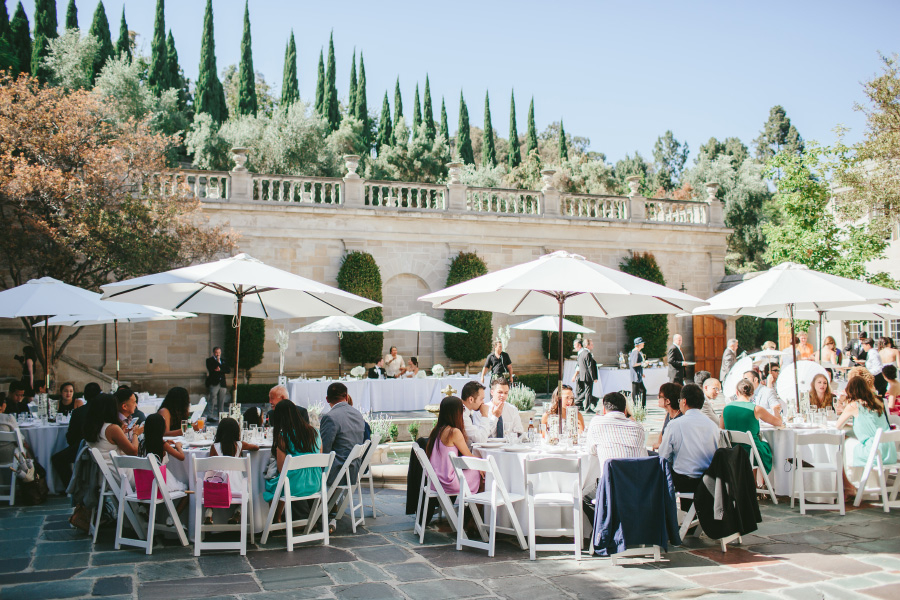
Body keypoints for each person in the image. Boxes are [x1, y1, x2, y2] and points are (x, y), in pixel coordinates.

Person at [659, 384, 720, 508]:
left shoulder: (675, 424)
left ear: (684, 401)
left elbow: (663, 455)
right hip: (709, 478)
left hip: (685, 479)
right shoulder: (713, 425)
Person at [263, 400, 323, 522]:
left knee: (270, 482)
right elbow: (320, 458)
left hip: (294, 486)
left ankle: (276, 518)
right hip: (316, 483)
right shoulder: (315, 432)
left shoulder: (284, 436)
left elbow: (281, 469)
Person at [836, 377, 896, 498]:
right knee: (853, 441)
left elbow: (838, 426)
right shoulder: (878, 402)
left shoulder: (853, 405)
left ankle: (850, 487)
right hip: (889, 451)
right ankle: (866, 488)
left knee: (846, 443)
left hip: (874, 452)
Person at [721, 378, 782, 476]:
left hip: (731, 451)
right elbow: (778, 422)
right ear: (752, 393)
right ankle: (757, 484)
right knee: (767, 446)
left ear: (737, 392)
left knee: (756, 447)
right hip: (751, 452)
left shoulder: (726, 408)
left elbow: (722, 430)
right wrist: (776, 410)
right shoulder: (756, 409)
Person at [207, 416, 260, 524]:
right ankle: (237, 512)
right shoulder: (240, 445)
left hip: (219, 485)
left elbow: (210, 466)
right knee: (245, 490)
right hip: (237, 487)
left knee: (211, 485)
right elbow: (256, 447)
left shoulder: (214, 446)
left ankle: (209, 512)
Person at [425, 396, 482, 495]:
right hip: (448, 482)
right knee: (481, 474)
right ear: (457, 412)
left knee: (478, 471)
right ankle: (471, 510)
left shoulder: (437, 430)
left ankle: (467, 508)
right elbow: (468, 456)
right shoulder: (453, 432)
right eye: (462, 409)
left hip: (435, 481)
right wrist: (483, 463)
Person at [319, 382, 367, 486]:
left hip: (337, 472)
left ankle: (320, 501)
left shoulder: (330, 417)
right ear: (346, 396)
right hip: (354, 469)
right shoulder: (357, 414)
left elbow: (324, 449)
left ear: (327, 399)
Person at [139, 414, 187, 501]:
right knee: (187, 491)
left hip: (146, 482)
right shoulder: (162, 444)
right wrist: (178, 446)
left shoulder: (143, 443)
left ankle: (146, 508)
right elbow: (181, 457)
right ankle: (174, 514)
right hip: (162, 480)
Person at [84, 394, 142, 465]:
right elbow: (133, 452)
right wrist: (135, 433)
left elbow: (106, 442)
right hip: (117, 471)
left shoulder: (92, 426)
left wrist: (121, 432)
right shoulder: (112, 428)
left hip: (102, 470)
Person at [652, 382, 683, 452]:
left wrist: (660, 446)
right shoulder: (668, 414)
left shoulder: (681, 418)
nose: (657, 398)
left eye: (660, 396)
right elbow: (662, 433)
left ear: (668, 401)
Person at [460, 381, 489, 446]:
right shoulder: (462, 415)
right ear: (471, 399)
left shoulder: (465, 413)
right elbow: (482, 440)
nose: (483, 402)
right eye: (481, 399)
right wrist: (484, 415)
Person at [205, 346, 230, 420]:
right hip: (214, 382)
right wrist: (218, 364)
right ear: (213, 353)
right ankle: (210, 415)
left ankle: (221, 415)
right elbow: (211, 369)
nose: (218, 354)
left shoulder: (223, 361)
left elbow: (228, 370)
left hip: (222, 383)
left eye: (219, 352)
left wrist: (220, 368)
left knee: (221, 400)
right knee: (212, 399)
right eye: (216, 353)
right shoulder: (209, 360)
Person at [0, 393, 25, 466]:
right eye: (4, 402)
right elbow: (20, 439)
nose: (6, 404)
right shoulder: (8, 418)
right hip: (7, 455)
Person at [572, 338, 596, 411]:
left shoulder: (582, 353)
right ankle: (583, 405)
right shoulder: (587, 353)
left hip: (583, 375)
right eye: (591, 344)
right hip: (587, 375)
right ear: (587, 345)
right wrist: (593, 377)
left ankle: (582, 404)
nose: (593, 346)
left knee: (585, 391)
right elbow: (589, 367)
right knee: (587, 391)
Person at [629, 337, 648, 410]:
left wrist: (641, 373)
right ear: (639, 344)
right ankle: (638, 407)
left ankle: (641, 406)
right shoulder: (635, 352)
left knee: (640, 391)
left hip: (637, 375)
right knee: (636, 392)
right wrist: (643, 363)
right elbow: (633, 364)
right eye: (642, 343)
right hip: (635, 376)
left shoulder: (637, 352)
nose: (643, 344)